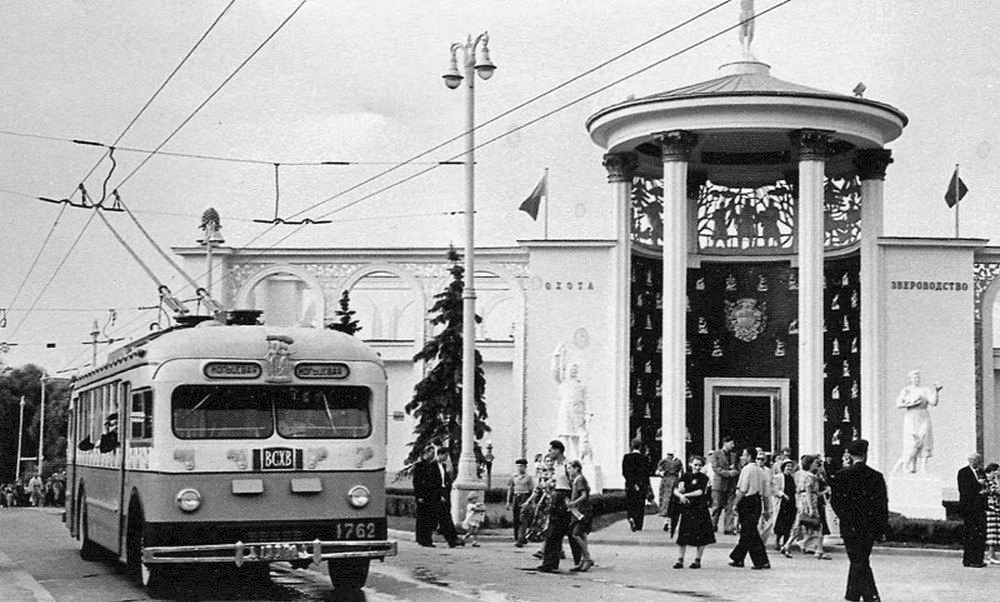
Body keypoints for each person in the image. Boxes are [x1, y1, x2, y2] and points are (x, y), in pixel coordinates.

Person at [830, 439, 888, 602]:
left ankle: (866, 595)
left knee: (857, 559)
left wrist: (845, 518)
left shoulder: (842, 475)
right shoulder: (876, 476)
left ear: (850, 455)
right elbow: (882, 504)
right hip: (868, 525)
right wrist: (882, 528)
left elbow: (836, 502)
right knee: (861, 558)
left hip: (850, 525)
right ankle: (857, 593)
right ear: (865, 454)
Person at [728, 449, 771, 570]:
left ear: (749, 456)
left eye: (744, 455)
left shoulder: (747, 469)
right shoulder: (761, 470)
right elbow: (766, 491)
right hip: (757, 501)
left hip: (748, 501)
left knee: (750, 532)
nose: (742, 457)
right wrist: (767, 508)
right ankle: (739, 558)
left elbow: (743, 488)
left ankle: (759, 560)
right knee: (749, 531)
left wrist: (735, 504)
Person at [892, 370, 941, 473]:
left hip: (923, 416)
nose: (916, 379)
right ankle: (911, 466)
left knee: (925, 439)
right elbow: (898, 404)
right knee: (912, 442)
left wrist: (936, 391)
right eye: (914, 378)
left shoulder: (925, 390)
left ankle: (923, 467)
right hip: (911, 416)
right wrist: (911, 404)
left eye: (918, 377)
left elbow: (933, 402)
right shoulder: (906, 390)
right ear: (910, 379)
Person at [535, 440, 573, 573]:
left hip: (565, 496)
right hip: (556, 496)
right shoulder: (556, 465)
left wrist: (571, 501)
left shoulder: (567, 464)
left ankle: (551, 563)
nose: (549, 453)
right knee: (551, 532)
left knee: (557, 532)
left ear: (558, 450)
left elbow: (573, 483)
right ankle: (549, 562)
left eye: (551, 450)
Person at [673, 455, 715, 569]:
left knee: (700, 535)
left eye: (699, 465)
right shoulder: (685, 476)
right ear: (691, 464)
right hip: (688, 508)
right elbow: (677, 489)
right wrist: (680, 495)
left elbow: (700, 492)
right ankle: (680, 559)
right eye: (695, 464)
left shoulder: (704, 477)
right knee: (683, 534)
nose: (697, 467)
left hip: (700, 508)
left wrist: (685, 495)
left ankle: (697, 560)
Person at [781, 455, 826, 559]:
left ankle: (787, 545)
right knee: (818, 526)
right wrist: (810, 508)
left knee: (800, 525)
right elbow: (809, 491)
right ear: (810, 464)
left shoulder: (803, 475)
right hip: (810, 503)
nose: (816, 465)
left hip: (803, 503)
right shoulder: (810, 476)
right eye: (815, 463)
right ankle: (819, 550)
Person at [552, 344, 590, 460]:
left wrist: (588, 413)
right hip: (566, 410)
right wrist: (557, 356)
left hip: (577, 411)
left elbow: (586, 400)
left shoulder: (581, 385)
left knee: (576, 437)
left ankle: (577, 459)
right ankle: (564, 458)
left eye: (575, 369)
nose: (573, 371)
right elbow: (555, 371)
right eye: (571, 369)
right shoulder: (563, 381)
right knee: (565, 435)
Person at [957, 452, 988, 567]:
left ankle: (978, 560)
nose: (976, 463)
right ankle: (968, 560)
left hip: (980, 508)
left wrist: (985, 489)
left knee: (980, 534)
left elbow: (985, 485)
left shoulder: (981, 472)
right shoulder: (963, 472)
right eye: (974, 460)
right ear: (970, 461)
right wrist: (978, 485)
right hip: (969, 509)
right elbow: (963, 489)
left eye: (978, 461)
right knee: (970, 534)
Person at [566, 460, 594, 572]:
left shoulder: (580, 479)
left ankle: (587, 558)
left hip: (583, 512)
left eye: (570, 468)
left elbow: (584, 495)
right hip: (578, 512)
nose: (569, 471)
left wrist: (573, 503)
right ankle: (582, 561)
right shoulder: (576, 480)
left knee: (576, 534)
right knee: (581, 535)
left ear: (576, 468)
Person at [709, 436, 740, 534]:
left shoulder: (734, 456)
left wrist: (735, 472)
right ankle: (713, 525)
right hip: (719, 484)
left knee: (730, 507)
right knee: (716, 506)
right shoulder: (716, 454)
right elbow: (716, 468)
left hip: (731, 485)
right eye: (731, 443)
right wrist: (728, 473)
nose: (733, 446)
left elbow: (738, 468)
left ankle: (728, 528)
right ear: (725, 443)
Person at [622, 438, 652, 531]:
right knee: (640, 504)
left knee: (631, 503)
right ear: (640, 447)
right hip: (641, 485)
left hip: (630, 485)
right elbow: (646, 473)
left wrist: (632, 482)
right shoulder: (644, 458)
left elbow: (624, 472)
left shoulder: (626, 457)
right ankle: (638, 524)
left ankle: (631, 517)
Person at [507, 458, 534, 547]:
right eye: (518, 466)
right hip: (516, 497)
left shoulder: (528, 477)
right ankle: (517, 537)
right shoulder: (513, 477)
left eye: (521, 466)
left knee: (523, 518)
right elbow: (510, 489)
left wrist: (531, 502)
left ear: (525, 467)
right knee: (516, 518)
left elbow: (531, 490)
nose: (519, 468)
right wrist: (508, 502)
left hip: (524, 497)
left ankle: (521, 538)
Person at [772, 459, 797, 552]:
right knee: (780, 522)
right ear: (783, 468)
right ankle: (777, 540)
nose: (789, 468)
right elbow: (774, 489)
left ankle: (785, 544)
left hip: (791, 502)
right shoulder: (778, 477)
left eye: (791, 466)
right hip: (782, 502)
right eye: (787, 466)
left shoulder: (793, 478)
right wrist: (782, 494)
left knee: (789, 523)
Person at [656, 452, 684, 532]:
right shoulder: (678, 462)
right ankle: (672, 523)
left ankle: (666, 521)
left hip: (665, 481)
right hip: (675, 481)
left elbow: (657, 472)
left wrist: (662, 474)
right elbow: (682, 473)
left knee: (665, 501)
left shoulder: (663, 461)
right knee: (673, 501)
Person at [983, 463, 1000, 564]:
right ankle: (990, 555)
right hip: (991, 508)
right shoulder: (988, 481)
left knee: (996, 532)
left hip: (996, 508)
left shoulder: (992, 481)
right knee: (992, 532)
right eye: (996, 470)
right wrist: (997, 480)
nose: (998, 473)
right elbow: (997, 491)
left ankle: (993, 554)